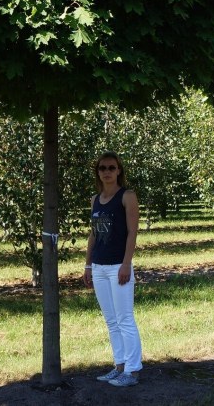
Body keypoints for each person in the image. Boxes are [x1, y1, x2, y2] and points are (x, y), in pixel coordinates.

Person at [83, 151, 143, 388]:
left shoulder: (127, 196)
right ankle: (119, 365)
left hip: (118, 266)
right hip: (99, 267)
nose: (106, 172)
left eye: (111, 167)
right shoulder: (95, 199)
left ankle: (132, 370)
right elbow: (93, 234)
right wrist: (88, 264)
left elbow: (132, 232)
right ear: (97, 172)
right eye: (102, 168)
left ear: (119, 171)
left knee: (125, 318)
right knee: (111, 320)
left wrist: (126, 263)